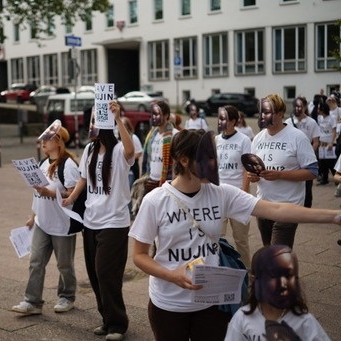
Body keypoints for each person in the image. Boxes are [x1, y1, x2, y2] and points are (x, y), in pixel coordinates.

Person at [128, 128, 341, 341]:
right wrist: (171, 275)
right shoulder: (155, 201)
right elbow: (139, 255)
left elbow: (276, 210)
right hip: (169, 304)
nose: (215, 164)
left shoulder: (221, 194)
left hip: (212, 302)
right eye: (208, 158)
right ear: (184, 160)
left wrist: (334, 216)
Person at [62, 101, 134, 341]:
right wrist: (71, 197)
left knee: (106, 272)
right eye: (91, 119)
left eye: (95, 120)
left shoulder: (118, 151)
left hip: (114, 222)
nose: (91, 124)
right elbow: (84, 179)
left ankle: (117, 324)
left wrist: (117, 119)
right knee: (94, 273)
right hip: (91, 221)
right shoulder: (90, 150)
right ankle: (106, 318)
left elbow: (131, 151)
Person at [11, 122, 79, 315]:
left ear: (58, 141)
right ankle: (32, 301)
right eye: (42, 140)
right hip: (42, 221)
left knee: (64, 264)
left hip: (62, 224)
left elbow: (72, 195)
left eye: (47, 139)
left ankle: (67, 296)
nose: (43, 143)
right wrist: (32, 216)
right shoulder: (42, 164)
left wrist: (50, 193)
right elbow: (37, 193)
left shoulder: (69, 165)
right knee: (36, 261)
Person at [250, 94, 318, 248]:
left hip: (288, 207)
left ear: (280, 114)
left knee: (277, 255)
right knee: (269, 253)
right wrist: (253, 176)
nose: (263, 116)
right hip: (264, 206)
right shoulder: (258, 138)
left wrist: (280, 175)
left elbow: (313, 171)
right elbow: (255, 170)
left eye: (267, 112)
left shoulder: (297, 137)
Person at [225, 245, 330, 340]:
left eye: (289, 276)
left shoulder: (304, 322)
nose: (283, 283)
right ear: (254, 280)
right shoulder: (243, 318)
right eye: (274, 276)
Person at [215, 105, 252, 267]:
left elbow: (246, 169)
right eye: (220, 118)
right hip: (218, 195)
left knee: (241, 240)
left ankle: (248, 275)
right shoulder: (216, 140)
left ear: (234, 121)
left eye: (225, 119)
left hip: (238, 196)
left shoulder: (243, 140)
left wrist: (243, 194)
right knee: (216, 238)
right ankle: (217, 271)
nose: (221, 122)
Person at [285, 96, 321, 207]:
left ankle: (306, 208)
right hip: (291, 159)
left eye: (300, 106)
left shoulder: (312, 122)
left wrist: (309, 154)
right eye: (295, 106)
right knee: (291, 183)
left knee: (307, 185)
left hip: (306, 159)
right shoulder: (288, 122)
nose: (297, 109)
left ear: (305, 106)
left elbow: (316, 141)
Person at [141, 101, 174, 194]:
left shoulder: (175, 135)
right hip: (150, 181)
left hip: (167, 183)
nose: (153, 118)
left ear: (166, 115)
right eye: (152, 115)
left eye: (156, 114)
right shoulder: (151, 135)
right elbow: (147, 159)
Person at [316, 100, 337, 185]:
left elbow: (334, 131)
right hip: (322, 142)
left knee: (330, 163)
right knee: (322, 162)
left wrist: (331, 143)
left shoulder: (331, 118)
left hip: (329, 143)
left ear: (323, 109)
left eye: (319, 109)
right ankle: (325, 179)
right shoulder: (319, 118)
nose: (318, 110)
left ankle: (337, 178)